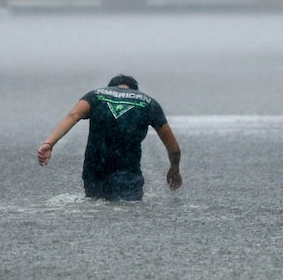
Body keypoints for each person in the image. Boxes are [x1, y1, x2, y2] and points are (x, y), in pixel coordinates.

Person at [37, 74, 182, 201]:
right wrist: (174, 169)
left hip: (94, 169)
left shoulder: (95, 95)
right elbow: (173, 148)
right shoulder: (149, 103)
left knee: (96, 209)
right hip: (127, 174)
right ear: (134, 90)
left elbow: (73, 115)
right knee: (127, 214)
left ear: (110, 87)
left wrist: (49, 144)